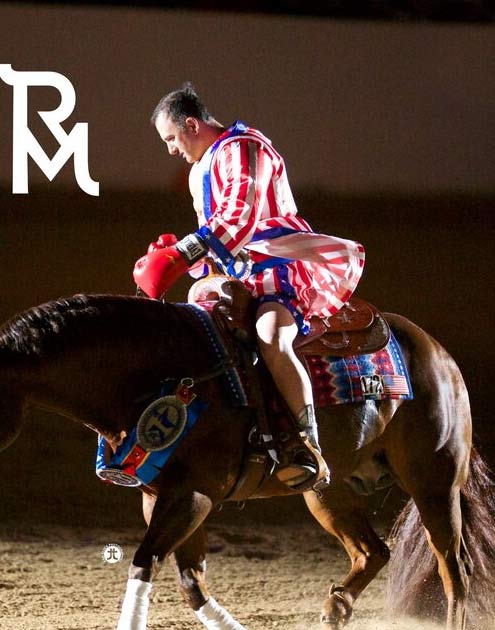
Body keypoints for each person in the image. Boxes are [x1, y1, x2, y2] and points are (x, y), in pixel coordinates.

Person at [134, 83, 365, 490]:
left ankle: (306, 445)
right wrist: (179, 255)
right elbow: (216, 237)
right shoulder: (200, 170)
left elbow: (239, 217)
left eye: (171, 138)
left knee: (271, 336)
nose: (170, 149)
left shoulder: (244, 147)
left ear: (192, 125)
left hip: (279, 269)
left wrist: (181, 254)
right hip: (238, 276)